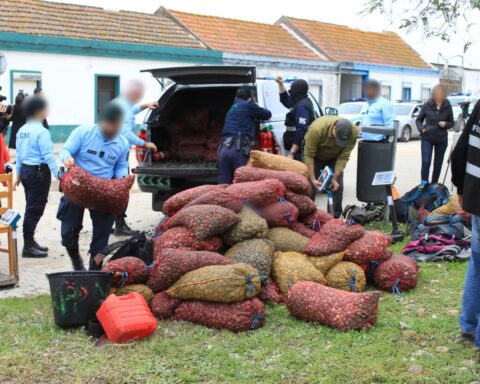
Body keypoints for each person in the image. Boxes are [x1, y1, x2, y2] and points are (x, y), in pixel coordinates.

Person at [57, 103, 130, 271]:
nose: (112, 129)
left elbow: (120, 166)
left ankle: (94, 272)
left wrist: (121, 182)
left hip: (103, 192)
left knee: (102, 237)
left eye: (116, 125)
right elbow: (65, 150)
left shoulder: (123, 143)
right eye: (109, 124)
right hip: (77, 188)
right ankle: (76, 262)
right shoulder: (83, 133)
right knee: (68, 233)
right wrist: (67, 158)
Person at [451, 99, 480, 360]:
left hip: (476, 198)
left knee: (477, 263)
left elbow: (459, 152)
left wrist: (461, 188)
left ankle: (469, 326)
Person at [15, 96, 59, 258]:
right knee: (35, 208)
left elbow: (19, 155)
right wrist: (59, 175)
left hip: (27, 171)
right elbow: (48, 156)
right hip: (39, 172)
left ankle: (30, 241)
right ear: (39, 111)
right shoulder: (42, 131)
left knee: (30, 206)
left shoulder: (22, 130)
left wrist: (18, 176)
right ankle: (28, 246)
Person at [113, 80, 158, 236]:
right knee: (121, 189)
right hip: (117, 157)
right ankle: (119, 225)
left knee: (113, 190)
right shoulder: (123, 106)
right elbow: (125, 132)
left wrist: (146, 105)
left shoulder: (119, 103)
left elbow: (131, 112)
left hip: (112, 153)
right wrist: (144, 143)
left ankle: (112, 222)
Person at [304, 116, 358, 217]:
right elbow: (309, 155)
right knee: (310, 187)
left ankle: (335, 217)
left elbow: (343, 157)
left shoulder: (353, 132)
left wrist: (334, 178)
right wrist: (312, 178)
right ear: (334, 129)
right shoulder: (317, 129)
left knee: (336, 186)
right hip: (316, 156)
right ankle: (307, 215)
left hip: (335, 158)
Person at [218, 88, 272, 184]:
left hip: (223, 151)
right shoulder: (248, 105)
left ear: (236, 98)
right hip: (238, 151)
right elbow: (267, 114)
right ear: (249, 98)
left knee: (224, 188)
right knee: (243, 187)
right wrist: (253, 103)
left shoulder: (232, 108)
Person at [416, 84, 454, 183]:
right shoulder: (427, 105)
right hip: (427, 138)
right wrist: (421, 129)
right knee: (426, 161)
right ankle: (424, 185)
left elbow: (452, 123)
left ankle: (434, 186)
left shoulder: (447, 105)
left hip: (441, 140)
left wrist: (445, 124)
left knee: (438, 164)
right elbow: (418, 120)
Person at [276, 76, 315, 160]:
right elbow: (286, 100)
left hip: (300, 151)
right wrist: (280, 84)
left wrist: (292, 152)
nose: (290, 91)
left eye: (292, 88)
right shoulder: (300, 100)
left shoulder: (301, 106)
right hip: (296, 147)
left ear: (297, 90)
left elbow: (301, 131)